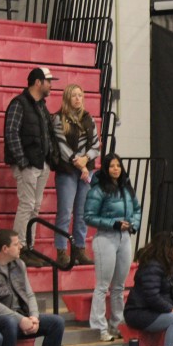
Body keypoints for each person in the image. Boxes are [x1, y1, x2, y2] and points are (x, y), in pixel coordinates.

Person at [4, 67, 59, 267]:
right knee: (27, 205)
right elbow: (11, 133)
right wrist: (23, 161)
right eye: (48, 81)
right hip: (29, 164)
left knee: (34, 207)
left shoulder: (41, 106)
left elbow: (47, 134)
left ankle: (29, 247)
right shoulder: (19, 103)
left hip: (40, 163)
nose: (51, 85)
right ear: (38, 82)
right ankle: (20, 248)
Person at [84, 154, 141, 342]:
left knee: (119, 286)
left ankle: (117, 324)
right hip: (105, 238)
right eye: (111, 166)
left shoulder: (126, 188)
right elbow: (89, 216)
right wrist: (114, 224)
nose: (116, 169)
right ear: (105, 169)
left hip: (124, 238)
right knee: (102, 285)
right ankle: (99, 327)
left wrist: (133, 225)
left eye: (118, 165)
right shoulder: (98, 190)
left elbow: (137, 209)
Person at [51, 83, 100, 267]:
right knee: (65, 212)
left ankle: (79, 249)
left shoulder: (89, 118)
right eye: (74, 95)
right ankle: (62, 251)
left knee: (82, 212)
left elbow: (96, 145)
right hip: (67, 170)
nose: (78, 98)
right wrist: (78, 162)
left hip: (86, 170)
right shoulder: (58, 118)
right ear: (67, 98)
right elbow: (62, 146)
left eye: (80, 95)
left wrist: (85, 160)